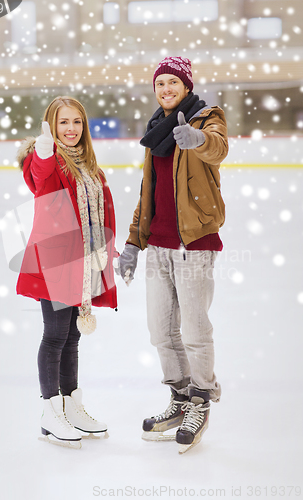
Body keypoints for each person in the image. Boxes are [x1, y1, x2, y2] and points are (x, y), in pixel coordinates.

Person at [116, 57, 228, 454]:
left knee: (195, 330)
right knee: (161, 332)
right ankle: (179, 398)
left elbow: (218, 146)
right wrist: (133, 243)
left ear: (186, 85)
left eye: (173, 82)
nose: (166, 89)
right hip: (159, 246)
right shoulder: (154, 132)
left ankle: (200, 400)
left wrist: (199, 141)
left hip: (194, 243)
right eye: (160, 83)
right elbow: (149, 193)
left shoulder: (205, 118)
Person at [16, 96, 117, 449]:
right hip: (57, 261)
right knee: (55, 335)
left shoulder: (89, 166)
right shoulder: (46, 160)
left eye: (76, 122)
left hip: (85, 261)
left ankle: (71, 405)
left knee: (72, 337)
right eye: (63, 123)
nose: (71, 129)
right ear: (52, 126)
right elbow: (37, 180)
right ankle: (50, 410)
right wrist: (43, 152)